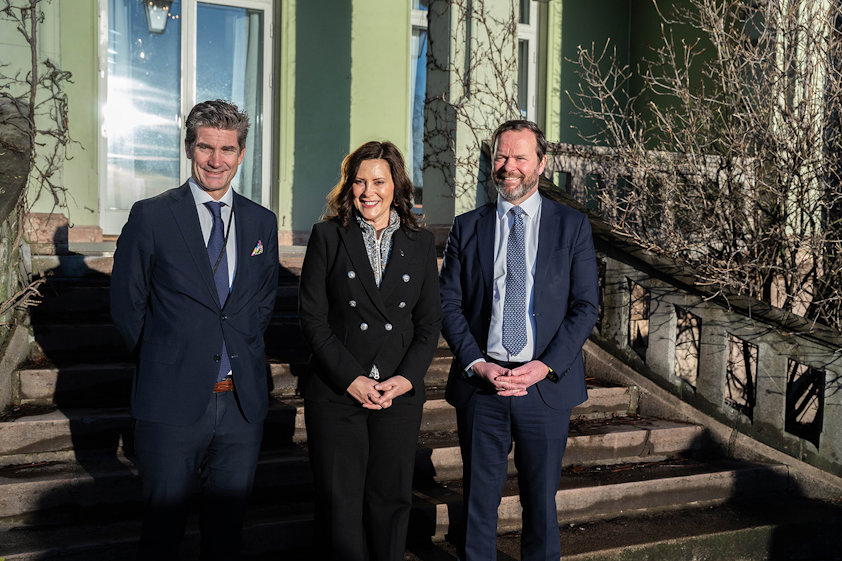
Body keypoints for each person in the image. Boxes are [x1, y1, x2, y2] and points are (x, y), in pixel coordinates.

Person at [110, 99, 279, 560]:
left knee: (227, 535)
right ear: (189, 148)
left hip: (240, 405)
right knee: (162, 534)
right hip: (171, 401)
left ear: (242, 154)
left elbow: (261, 303)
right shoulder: (152, 216)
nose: (216, 160)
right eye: (206, 147)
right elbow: (128, 305)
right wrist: (165, 358)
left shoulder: (261, 221)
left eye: (227, 149)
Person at [439, 120, 599, 561]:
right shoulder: (467, 226)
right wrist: (477, 363)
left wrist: (545, 366)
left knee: (541, 505)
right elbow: (448, 304)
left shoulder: (572, 226)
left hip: (543, 388)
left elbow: (586, 306)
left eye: (519, 157)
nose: (508, 166)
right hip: (482, 384)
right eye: (501, 156)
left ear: (541, 164)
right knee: (477, 504)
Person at [298, 140, 441, 561]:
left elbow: (429, 323)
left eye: (378, 181)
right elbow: (312, 318)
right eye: (359, 181)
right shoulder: (328, 235)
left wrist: (405, 379)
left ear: (396, 185)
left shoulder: (419, 242)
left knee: (391, 502)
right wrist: (353, 379)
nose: (367, 192)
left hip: (396, 392)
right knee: (339, 506)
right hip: (338, 391)